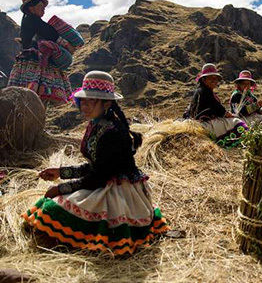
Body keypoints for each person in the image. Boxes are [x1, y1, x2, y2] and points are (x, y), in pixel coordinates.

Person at [22, 71, 168, 255]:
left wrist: (62, 188)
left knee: (53, 209)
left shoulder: (112, 132)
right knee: (47, 205)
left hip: (118, 191)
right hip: (101, 181)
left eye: (92, 100)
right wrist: (61, 172)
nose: (85, 105)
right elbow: (94, 167)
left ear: (106, 103)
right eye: (83, 100)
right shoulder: (96, 124)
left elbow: (99, 176)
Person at [8, 0, 72, 105]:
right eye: (40, 6)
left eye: (44, 7)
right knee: (34, 99)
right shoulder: (32, 20)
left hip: (34, 60)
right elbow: (50, 33)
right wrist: (67, 44)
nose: (43, 9)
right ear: (31, 8)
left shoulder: (29, 21)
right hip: (36, 62)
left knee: (32, 101)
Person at [184, 63, 248, 147]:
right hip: (203, 124)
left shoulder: (204, 91)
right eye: (211, 78)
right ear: (204, 79)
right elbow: (219, 109)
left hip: (204, 121)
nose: (214, 81)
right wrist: (230, 115)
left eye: (216, 79)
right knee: (237, 123)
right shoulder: (205, 92)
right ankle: (231, 142)